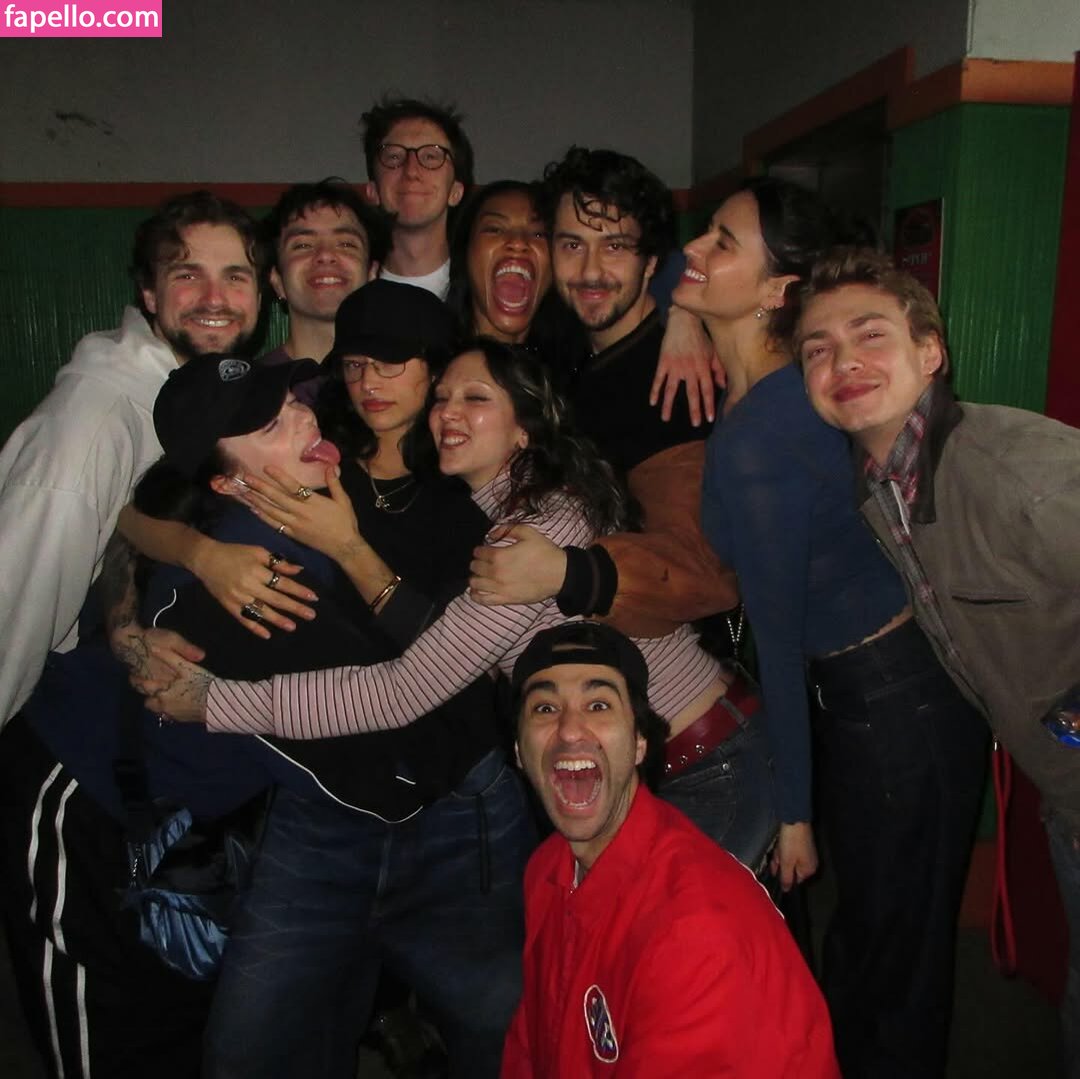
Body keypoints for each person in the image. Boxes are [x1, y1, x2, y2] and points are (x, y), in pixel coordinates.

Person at [146, 340, 774, 871]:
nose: (448, 411)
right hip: (652, 769)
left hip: (709, 764)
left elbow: (400, 691)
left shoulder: (539, 529)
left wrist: (213, 702)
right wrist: (189, 553)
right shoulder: (501, 517)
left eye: (476, 398)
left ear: (524, 426)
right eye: (443, 397)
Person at [160, 285, 529, 1079]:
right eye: (356, 363)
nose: (370, 380)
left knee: (491, 1025)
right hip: (323, 811)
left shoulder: (473, 486)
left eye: (393, 362)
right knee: (249, 1043)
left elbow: (452, 670)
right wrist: (196, 553)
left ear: (434, 371)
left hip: (455, 801)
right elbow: (147, 501)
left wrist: (350, 545)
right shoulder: (313, 460)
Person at [674, 178, 989, 1078]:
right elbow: (663, 268)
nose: (693, 251)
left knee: (895, 962)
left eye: (721, 242)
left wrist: (794, 811)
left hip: (892, 705)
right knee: (874, 945)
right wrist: (681, 316)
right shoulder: (784, 391)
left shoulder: (765, 429)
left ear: (777, 288)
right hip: (877, 693)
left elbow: (774, 634)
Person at [796, 246, 1080, 1076]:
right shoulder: (880, 483)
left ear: (931, 351)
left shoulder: (1014, 471)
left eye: (870, 334)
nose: (844, 361)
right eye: (818, 349)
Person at [503, 620, 839, 1078]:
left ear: (640, 742)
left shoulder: (694, 932)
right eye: (545, 708)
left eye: (599, 705)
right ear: (519, 752)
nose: (570, 730)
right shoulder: (547, 870)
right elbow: (531, 1042)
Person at [0, 190, 262, 729]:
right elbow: (14, 614)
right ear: (148, 292)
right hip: (61, 717)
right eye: (188, 274)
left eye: (235, 276)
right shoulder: (89, 429)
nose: (215, 299)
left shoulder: (204, 401)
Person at [260, 178, 389, 364]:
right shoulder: (252, 381)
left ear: (372, 274)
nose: (326, 255)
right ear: (276, 280)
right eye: (303, 245)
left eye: (346, 244)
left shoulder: (409, 378)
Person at [361, 96, 473, 299]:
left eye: (430, 157)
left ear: (456, 191)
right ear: (373, 190)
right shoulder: (352, 289)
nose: (411, 171)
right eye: (394, 157)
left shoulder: (482, 292)